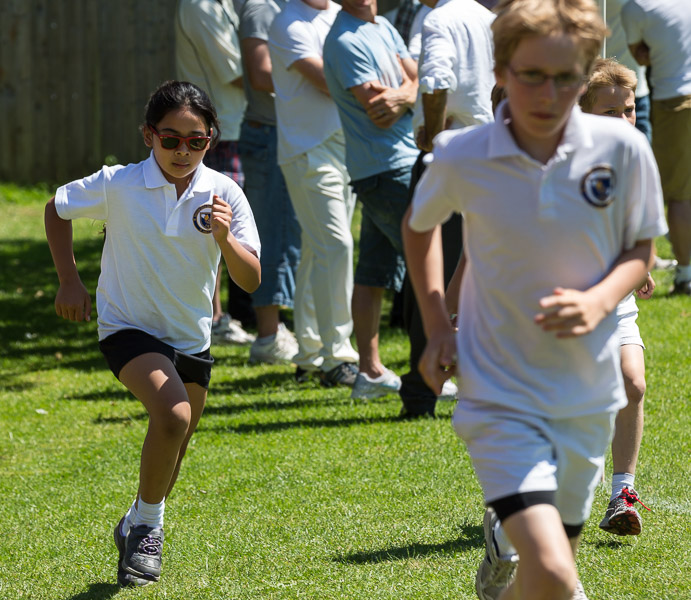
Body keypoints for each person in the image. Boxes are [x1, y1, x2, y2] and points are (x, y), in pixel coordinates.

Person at [402, 1, 667, 599]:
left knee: (546, 567)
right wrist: (440, 325)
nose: (549, 92)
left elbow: (641, 251)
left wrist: (600, 301)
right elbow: (420, 228)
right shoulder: (464, 154)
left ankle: (502, 552)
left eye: (566, 76)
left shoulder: (623, 152)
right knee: (554, 570)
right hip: (501, 384)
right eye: (531, 75)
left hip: (584, 390)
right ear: (500, 73)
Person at [44, 81, 261, 587]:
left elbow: (249, 278)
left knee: (173, 446)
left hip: (191, 338)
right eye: (170, 139)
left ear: (211, 140)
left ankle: (137, 523)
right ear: (149, 136)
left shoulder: (225, 192)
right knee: (174, 414)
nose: (183, 151)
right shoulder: (119, 183)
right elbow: (56, 209)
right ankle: (148, 530)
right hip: (128, 327)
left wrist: (227, 239)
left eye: (196, 141)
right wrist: (69, 281)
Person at [398, 0, 495, 418]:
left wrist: (433, 135)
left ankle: (423, 393)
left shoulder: (440, 19)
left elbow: (436, 80)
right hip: (491, 152)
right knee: (472, 272)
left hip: (452, 154)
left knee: (434, 282)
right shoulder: (486, 17)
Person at [323, 0, 420, 400]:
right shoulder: (344, 40)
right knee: (431, 267)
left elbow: (417, 80)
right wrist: (414, 91)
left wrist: (408, 92)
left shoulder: (382, 26)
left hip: (393, 164)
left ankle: (370, 373)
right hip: (386, 169)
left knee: (374, 272)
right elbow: (380, 111)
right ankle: (434, 371)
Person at [579, 57, 654, 536]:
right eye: (609, 113)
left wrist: (638, 263)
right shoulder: (565, 158)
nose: (623, 121)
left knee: (634, 384)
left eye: (628, 109)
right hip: (567, 299)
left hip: (616, 294)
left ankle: (622, 493)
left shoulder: (635, 151)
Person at [268, 0, 361, 387]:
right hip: (308, 151)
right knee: (336, 246)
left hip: (345, 147)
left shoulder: (340, 12)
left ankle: (309, 353)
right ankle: (337, 355)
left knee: (317, 249)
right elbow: (329, 81)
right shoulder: (288, 23)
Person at [175, 0, 257, 347]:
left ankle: (216, 317)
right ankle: (215, 318)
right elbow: (238, 72)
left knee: (220, 223)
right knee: (207, 221)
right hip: (215, 131)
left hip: (230, 126)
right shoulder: (201, 5)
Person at [239, 0, 303, 363]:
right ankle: (267, 337)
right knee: (272, 236)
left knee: (292, 236)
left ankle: (278, 330)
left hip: (290, 133)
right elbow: (261, 74)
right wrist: (319, 79)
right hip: (270, 134)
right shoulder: (261, 8)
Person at [622, 0, 691, 295]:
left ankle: (685, 275)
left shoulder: (635, 8)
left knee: (677, 194)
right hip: (677, 96)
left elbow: (640, 54)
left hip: (674, 102)